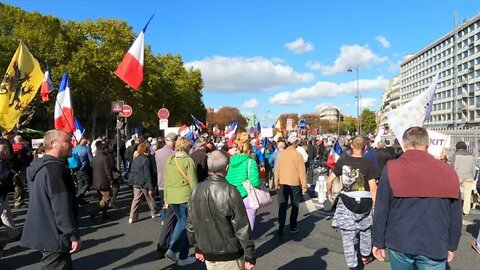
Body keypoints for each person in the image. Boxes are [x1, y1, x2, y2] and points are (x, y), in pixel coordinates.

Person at [372, 126, 462, 269]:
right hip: (435, 243)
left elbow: (381, 209)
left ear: (404, 143)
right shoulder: (448, 171)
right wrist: (452, 245)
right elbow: (455, 214)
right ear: (428, 144)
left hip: (399, 240)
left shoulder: (392, 168)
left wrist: (378, 242)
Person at [21, 130, 81, 270]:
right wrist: (73, 235)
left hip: (46, 230)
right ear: (53, 144)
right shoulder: (54, 170)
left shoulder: (40, 166)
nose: (72, 144)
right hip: (55, 235)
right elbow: (61, 206)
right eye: (67, 141)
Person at [187, 150, 256, 270]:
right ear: (227, 167)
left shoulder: (196, 189)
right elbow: (241, 227)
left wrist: (197, 247)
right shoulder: (230, 191)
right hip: (230, 253)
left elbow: (191, 223)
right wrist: (250, 255)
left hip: (208, 251)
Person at [326, 136, 377, 269]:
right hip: (365, 201)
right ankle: (365, 254)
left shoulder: (343, 161)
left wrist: (329, 193)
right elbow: (373, 188)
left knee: (347, 236)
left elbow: (329, 180)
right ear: (365, 148)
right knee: (366, 230)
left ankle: (352, 264)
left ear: (351, 146)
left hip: (347, 201)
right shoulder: (369, 164)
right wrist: (375, 206)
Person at [164, 137, 198, 266]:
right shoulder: (188, 160)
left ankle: (172, 249)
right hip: (185, 196)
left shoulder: (170, 160)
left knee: (181, 222)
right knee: (186, 227)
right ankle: (182, 256)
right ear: (187, 147)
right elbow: (193, 182)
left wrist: (166, 198)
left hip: (172, 196)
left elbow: (166, 180)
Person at [275, 135, 307, 236]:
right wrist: (304, 186)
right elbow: (302, 172)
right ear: (295, 143)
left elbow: (277, 169)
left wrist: (276, 181)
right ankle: (293, 226)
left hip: (283, 182)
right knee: (295, 205)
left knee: (283, 204)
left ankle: (281, 225)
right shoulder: (298, 155)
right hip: (295, 183)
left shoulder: (281, 154)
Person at [225, 142, 262, 229]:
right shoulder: (250, 162)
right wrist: (261, 182)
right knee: (248, 225)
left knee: (236, 223)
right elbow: (255, 182)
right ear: (249, 151)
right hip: (246, 194)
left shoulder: (231, 162)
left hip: (232, 194)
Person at [128, 143, 159, 223]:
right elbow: (147, 173)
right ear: (145, 150)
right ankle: (154, 212)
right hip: (144, 182)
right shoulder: (146, 160)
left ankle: (132, 216)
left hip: (136, 182)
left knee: (136, 199)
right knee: (150, 198)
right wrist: (151, 186)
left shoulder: (135, 159)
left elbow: (132, 171)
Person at [0, 144, 17, 258]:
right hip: (1, 192)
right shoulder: (2, 163)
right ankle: (13, 233)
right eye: (6, 151)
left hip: (2, 192)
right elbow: (4, 177)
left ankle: (13, 233)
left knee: (5, 212)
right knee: (4, 212)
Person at [89, 142, 113, 221]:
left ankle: (104, 214)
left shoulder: (94, 157)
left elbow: (91, 167)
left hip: (96, 181)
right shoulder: (105, 158)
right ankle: (94, 212)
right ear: (104, 149)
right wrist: (111, 181)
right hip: (104, 181)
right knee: (106, 198)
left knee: (101, 198)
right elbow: (108, 171)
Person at [452, 141, 476, 215]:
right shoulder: (471, 156)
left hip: (458, 176)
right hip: (469, 177)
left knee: (454, 193)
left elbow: (452, 167)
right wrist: (473, 177)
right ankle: (466, 211)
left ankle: (454, 208)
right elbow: (474, 168)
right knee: (467, 195)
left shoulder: (455, 155)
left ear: (457, 147)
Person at [73, 137, 93, 205]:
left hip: (76, 168)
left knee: (80, 183)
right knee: (88, 183)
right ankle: (79, 198)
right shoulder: (87, 149)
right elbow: (91, 160)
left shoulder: (74, 148)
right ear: (86, 142)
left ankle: (80, 201)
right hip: (84, 168)